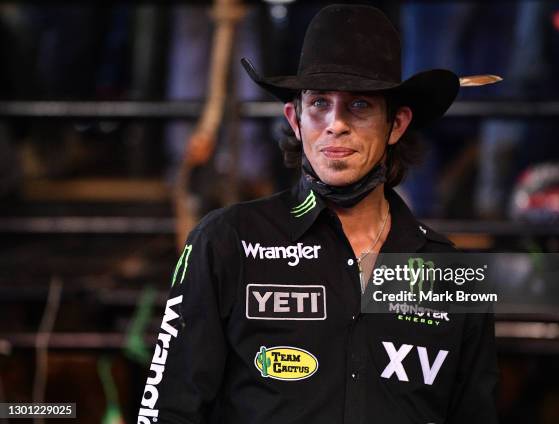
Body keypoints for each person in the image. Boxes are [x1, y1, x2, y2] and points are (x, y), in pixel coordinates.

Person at [138, 5, 498, 423]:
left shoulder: (451, 276)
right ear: (295, 119)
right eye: (320, 103)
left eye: (359, 105)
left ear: (396, 124)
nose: (335, 124)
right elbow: (168, 411)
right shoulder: (226, 242)